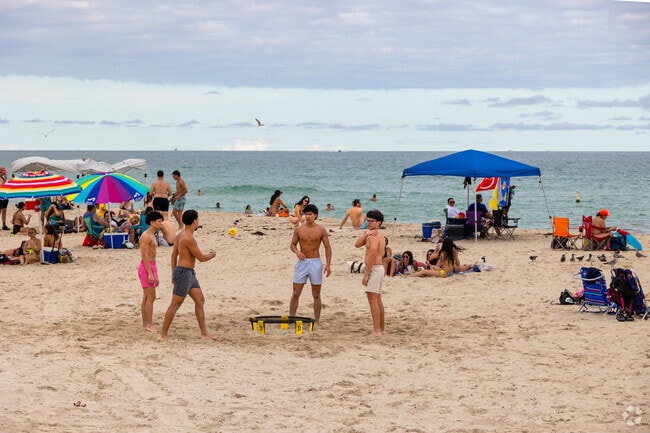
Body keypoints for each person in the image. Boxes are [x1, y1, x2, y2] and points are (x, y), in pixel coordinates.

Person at [159, 210, 217, 341]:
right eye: (198, 219)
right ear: (195, 221)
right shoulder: (188, 238)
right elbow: (201, 258)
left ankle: (204, 333)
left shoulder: (180, 235)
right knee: (175, 304)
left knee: (200, 300)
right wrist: (212, 255)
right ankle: (163, 334)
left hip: (189, 273)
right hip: (184, 273)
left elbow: (174, 256)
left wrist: (173, 272)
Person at [289, 204, 332, 325]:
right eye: (306, 214)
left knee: (316, 294)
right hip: (302, 263)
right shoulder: (299, 229)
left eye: (310, 214)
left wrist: (328, 265)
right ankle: (292, 318)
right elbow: (292, 244)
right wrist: (297, 252)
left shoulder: (321, 230)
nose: (308, 217)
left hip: (315, 263)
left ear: (315, 216)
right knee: (296, 292)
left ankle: (317, 321)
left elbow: (327, 248)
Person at [354, 209, 386, 336]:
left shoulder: (375, 236)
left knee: (373, 300)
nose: (368, 223)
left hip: (375, 268)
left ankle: (377, 330)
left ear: (379, 222)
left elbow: (372, 255)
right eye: (367, 220)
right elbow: (357, 245)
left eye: (371, 221)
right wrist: (366, 234)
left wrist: (366, 275)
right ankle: (381, 329)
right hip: (376, 268)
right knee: (377, 299)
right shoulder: (371, 234)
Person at [138, 211, 164, 332]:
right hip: (146, 266)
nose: (161, 224)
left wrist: (154, 273)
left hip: (151, 266)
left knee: (147, 297)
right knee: (151, 297)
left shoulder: (152, 235)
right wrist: (150, 273)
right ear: (152, 222)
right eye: (159, 222)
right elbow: (145, 256)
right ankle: (148, 323)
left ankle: (145, 323)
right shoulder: (146, 236)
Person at [0, 166, 9, 230]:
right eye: (3, 173)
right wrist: (4, 180)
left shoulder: (3, 178)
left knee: (4, 211)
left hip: (4, 196)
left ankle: (4, 224)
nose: (4, 174)